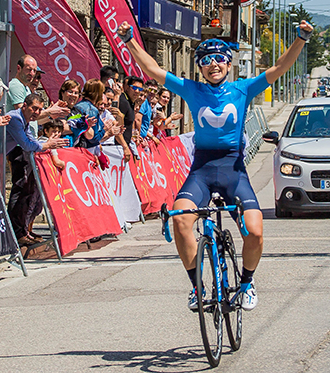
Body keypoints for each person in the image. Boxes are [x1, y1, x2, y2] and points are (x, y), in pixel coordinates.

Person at [116, 19, 313, 312]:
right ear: (200, 67)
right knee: (181, 220)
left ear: (228, 63)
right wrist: (130, 40)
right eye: (206, 61)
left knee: (255, 232)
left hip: (233, 170)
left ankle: (246, 283)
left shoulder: (243, 88)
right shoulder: (193, 89)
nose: (213, 64)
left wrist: (300, 39)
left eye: (219, 59)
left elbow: (279, 68)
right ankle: (197, 287)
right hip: (202, 170)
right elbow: (153, 71)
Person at [5, 94, 68, 245]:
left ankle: (23, 230)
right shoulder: (15, 118)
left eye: (40, 110)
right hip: (9, 156)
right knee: (20, 192)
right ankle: (16, 232)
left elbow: (31, 140)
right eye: (34, 108)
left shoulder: (25, 120)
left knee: (28, 193)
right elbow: (26, 144)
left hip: (18, 155)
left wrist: (45, 144)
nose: (37, 113)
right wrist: (47, 145)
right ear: (24, 106)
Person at [118, 75, 145, 149]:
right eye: (134, 88)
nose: (137, 91)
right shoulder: (123, 102)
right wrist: (125, 147)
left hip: (127, 143)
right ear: (127, 87)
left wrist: (134, 136)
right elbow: (118, 126)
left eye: (139, 89)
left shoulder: (131, 102)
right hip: (119, 146)